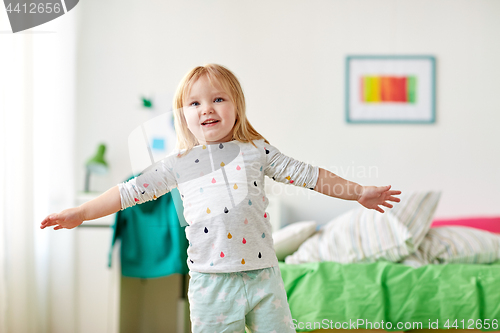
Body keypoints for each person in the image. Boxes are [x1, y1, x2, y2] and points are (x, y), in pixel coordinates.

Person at [40, 63, 401, 332]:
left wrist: (358, 192)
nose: (207, 108)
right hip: (211, 283)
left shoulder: (257, 151)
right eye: (194, 103)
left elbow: (309, 175)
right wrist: (82, 213)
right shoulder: (177, 164)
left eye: (217, 99)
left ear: (236, 106)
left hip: (264, 278)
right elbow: (128, 193)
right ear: (184, 116)